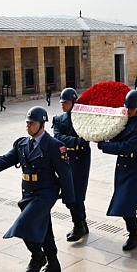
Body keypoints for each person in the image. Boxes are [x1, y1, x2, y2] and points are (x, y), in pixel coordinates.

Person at [0, 106, 74, 272]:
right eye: (27, 122)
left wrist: (69, 197)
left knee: (25, 224)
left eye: (32, 122)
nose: (28, 125)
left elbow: (65, 173)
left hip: (46, 193)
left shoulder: (54, 146)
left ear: (42, 124)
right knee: (44, 228)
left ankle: (37, 256)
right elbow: (7, 158)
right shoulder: (22, 143)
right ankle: (53, 262)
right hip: (28, 192)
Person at [97, 90, 137, 250]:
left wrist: (104, 146)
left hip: (134, 168)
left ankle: (134, 234)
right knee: (124, 202)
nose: (128, 110)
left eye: (131, 108)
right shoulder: (124, 121)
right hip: (122, 168)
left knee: (127, 203)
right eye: (127, 107)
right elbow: (116, 137)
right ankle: (134, 232)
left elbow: (126, 147)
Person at [52, 87, 91, 242]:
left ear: (74, 102)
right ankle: (81, 223)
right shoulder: (59, 119)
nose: (63, 104)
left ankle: (79, 225)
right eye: (62, 102)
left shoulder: (83, 118)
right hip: (66, 160)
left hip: (80, 159)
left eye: (66, 102)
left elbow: (87, 135)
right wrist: (75, 141)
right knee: (70, 194)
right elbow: (57, 137)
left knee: (77, 194)